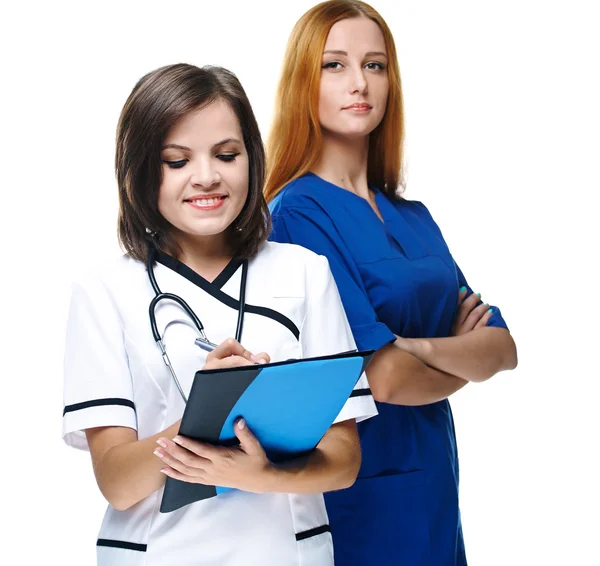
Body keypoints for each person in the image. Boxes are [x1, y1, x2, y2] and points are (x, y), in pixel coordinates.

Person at [62, 63, 376, 566]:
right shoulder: (104, 291)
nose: (206, 176)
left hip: (285, 552)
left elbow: (344, 461)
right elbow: (118, 482)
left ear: (251, 158)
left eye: (226, 155)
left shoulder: (305, 273)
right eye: (176, 161)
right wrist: (205, 415)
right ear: (140, 170)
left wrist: (259, 474)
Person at [265, 2, 518, 565]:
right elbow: (383, 379)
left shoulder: (414, 215)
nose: (359, 83)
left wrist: (417, 346)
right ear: (303, 81)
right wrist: (452, 357)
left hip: (436, 482)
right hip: (364, 495)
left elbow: (502, 348)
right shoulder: (298, 214)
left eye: (375, 65)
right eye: (335, 65)